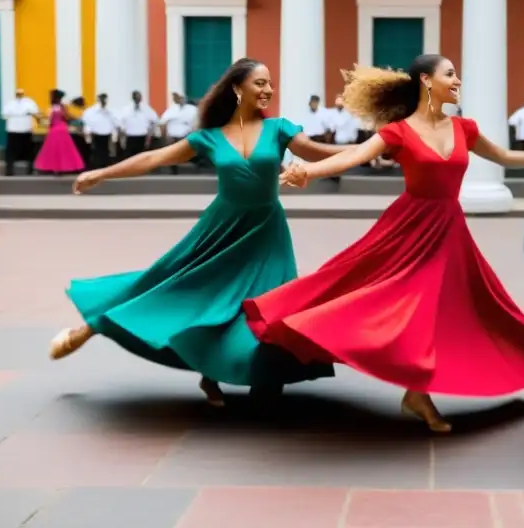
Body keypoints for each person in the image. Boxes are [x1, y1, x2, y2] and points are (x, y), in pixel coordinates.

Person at [244, 55, 524, 433]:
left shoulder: (464, 128)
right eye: (450, 74)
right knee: (387, 297)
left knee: (467, 307)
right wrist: (308, 171)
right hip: (410, 227)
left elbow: (506, 157)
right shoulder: (398, 132)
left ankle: (419, 391)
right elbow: (352, 157)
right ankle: (415, 392)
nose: (458, 80)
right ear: (427, 81)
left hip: (448, 229)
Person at [49, 59, 346, 407]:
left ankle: (259, 376)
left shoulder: (280, 129)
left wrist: (374, 148)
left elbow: (317, 152)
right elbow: (152, 159)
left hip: (266, 231)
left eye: (270, 84)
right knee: (176, 287)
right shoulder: (209, 137)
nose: (267, 90)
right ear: (237, 89)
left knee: (267, 304)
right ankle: (93, 326)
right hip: (221, 229)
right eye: (259, 83)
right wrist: (100, 174)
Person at [34, 90, 86, 175]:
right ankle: (65, 167)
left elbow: (49, 120)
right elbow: (68, 117)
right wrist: (76, 118)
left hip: (54, 130)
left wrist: (39, 119)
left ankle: (53, 167)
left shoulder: (51, 108)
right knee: (65, 150)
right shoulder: (63, 107)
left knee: (52, 150)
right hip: (62, 129)